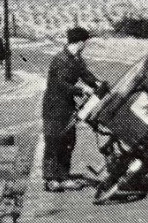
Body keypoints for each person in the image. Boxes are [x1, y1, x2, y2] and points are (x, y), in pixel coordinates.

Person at [42, 27, 105, 191]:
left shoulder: (76, 59)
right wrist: (82, 90)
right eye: (85, 42)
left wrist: (97, 84)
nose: (86, 45)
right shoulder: (60, 60)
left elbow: (86, 74)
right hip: (54, 107)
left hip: (68, 106)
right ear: (81, 42)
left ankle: (63, 176)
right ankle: (50, 180)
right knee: (54, 141)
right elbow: (61, 85)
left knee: (69, 141)